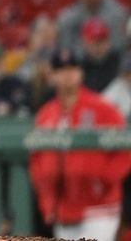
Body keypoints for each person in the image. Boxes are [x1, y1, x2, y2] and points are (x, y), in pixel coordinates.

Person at [29, 48, 131, 241]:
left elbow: (125, 149)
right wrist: (48, 202)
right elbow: (37, 163)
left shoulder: (102, 108)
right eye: (61, 69)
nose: (67, 75)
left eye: (72, 68)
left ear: (80, 72)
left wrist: (103, 179)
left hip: (99, 207)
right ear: (52, 75)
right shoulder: (46, 115)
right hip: (63, 209)